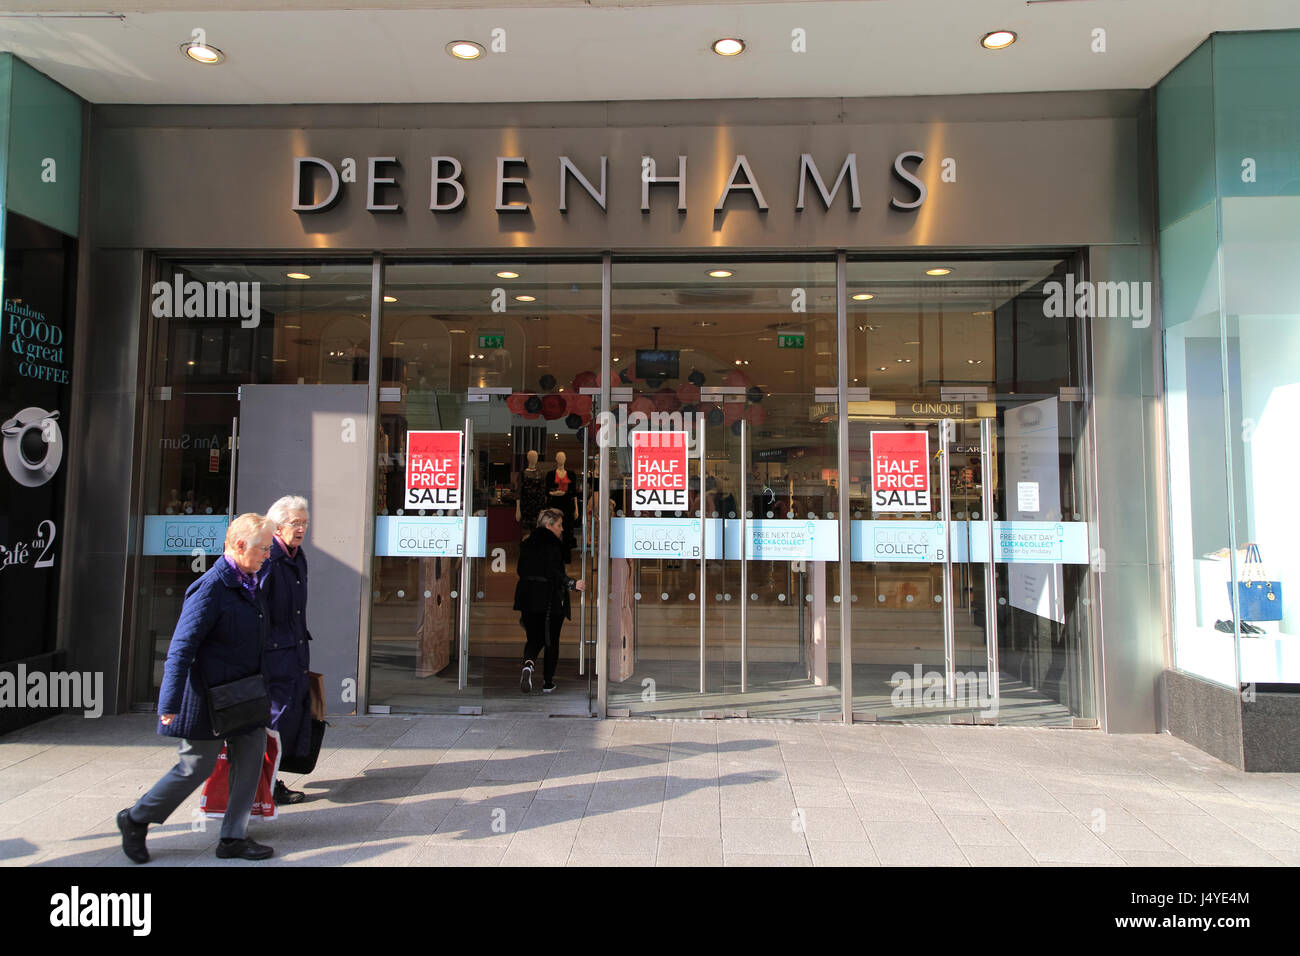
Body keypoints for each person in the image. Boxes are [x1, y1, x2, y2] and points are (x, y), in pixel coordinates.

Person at [117, 513, 276, 863]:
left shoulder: (249, 581)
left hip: (243, 695)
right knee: (196, 766)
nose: (268, 553)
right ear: (239, 546)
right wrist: (168, 703)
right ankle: (136, 818)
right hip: (208, 697)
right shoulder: (211, 588)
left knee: (251, 755)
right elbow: (180, 648)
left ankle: (233, 837)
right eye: (263, 548)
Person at [259, 495, 314, 805]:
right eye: (296, 523)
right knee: (276, 719)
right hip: (274, 654)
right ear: (277, 527)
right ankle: (265, 785)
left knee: (292, 714)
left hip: (294, 649)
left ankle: (270, 778)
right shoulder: (268, 559)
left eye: (304, 523)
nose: (302, 528)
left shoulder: (297, 555)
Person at [515, 507, 585, 693]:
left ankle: (528, 665)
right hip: (548, 599)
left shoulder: (527, 543)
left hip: (527, 597)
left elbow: (521, 570)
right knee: (551, 641)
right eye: (559, 525)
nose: (562, 529)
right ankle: (547, 682)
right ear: (549, 525)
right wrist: (572, 583)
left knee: (533, 638)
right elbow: (554, 573)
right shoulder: (552, 545)